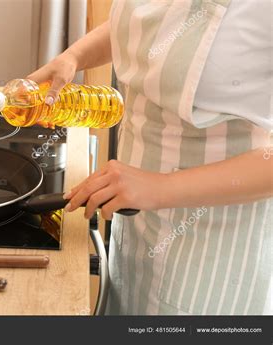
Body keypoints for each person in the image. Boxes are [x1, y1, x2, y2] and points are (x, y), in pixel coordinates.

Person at [28, 0, 272, 315]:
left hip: (216, 246)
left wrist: (160, 187)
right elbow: (145, 28)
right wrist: (73, 57)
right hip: (138, 222)